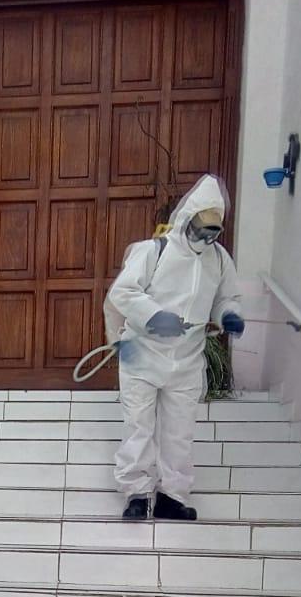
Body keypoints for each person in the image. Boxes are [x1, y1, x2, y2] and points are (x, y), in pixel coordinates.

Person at [103, 175, 244, 521]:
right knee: (139, 426)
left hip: (187, 361)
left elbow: (226, 297)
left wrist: (229, 316)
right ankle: (136, 494)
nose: (206, 238)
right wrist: (154, 316)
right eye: (202, 229)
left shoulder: (218, 260)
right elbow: (122, 293)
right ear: (188, 218)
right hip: (143, 355)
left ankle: (172, 496)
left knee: (179, 432)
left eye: (214, 232)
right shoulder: (154, 251)